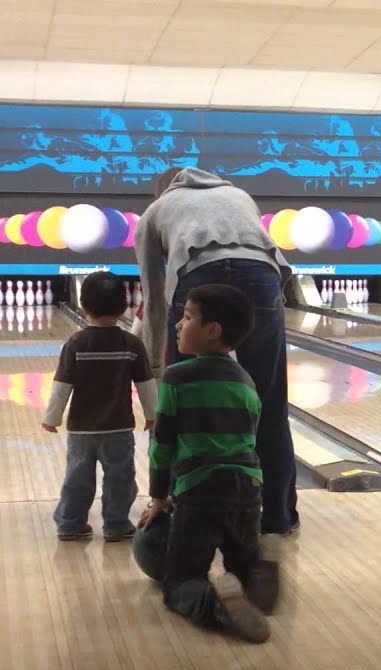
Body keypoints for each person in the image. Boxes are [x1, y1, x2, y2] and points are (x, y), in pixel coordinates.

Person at [134, 167, 299, 536]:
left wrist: (155, 369)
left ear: (161, 193)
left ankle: (178, 506)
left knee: (182, 403)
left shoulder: (155, 212)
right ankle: (278, 517)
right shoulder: (239, 195)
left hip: (197, 275)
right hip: (263, 278)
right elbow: (270, 261)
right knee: (270, 404)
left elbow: (154, 299)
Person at [139, 283, 281, 644]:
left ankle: (216, 605)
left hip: (200, 490)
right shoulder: (246, 381)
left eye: (187, 317)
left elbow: (163, 445)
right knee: (240, 561)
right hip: (248, 488)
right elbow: (250, 439)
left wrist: (158, 498)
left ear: (212, 330)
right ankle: (255, 576)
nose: (177, 325)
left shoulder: (176, 377)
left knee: (180, 581)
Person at [43, 271, 157, 542]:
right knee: (121, 478)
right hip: (119, 428)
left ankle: (70, 524)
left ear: (82, 306)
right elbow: (146, 383)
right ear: (123, 306)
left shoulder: (75, 344)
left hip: (81, 430)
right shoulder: (131, 343)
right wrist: (153, 415)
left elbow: (62, 384)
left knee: (77, 478)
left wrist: (52, 417)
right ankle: (116, 525)